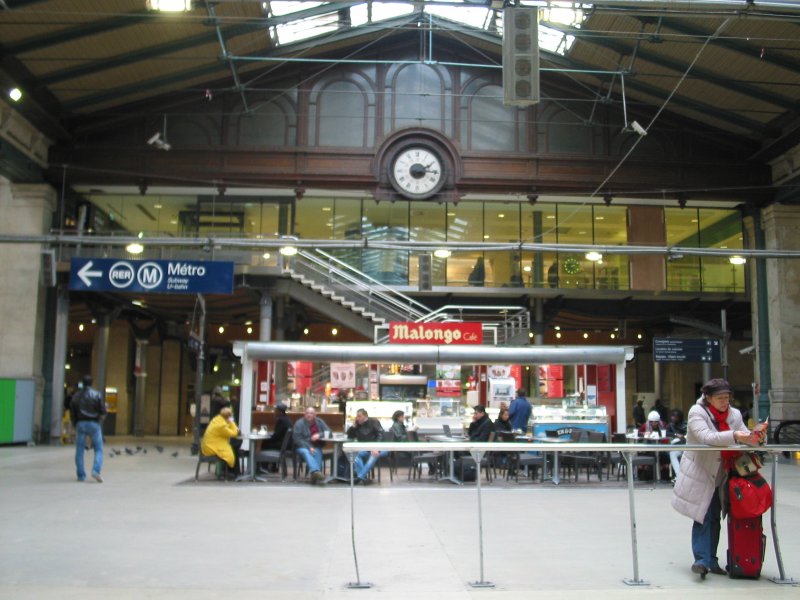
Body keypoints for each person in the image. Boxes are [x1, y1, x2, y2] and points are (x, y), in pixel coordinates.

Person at [671, 378, 764, 578]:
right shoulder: (697, 412)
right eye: (720, 398)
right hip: (701, 472)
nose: (724, 402)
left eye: (727, 398)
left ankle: (712, 561)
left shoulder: (734, 414)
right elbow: (707, 438)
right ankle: (701, 561)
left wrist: (755, 437)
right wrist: (737, 436)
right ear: (708, 398)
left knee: (715, 516)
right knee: (702, 515)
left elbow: (744, 436)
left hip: (723, 473)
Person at [69, 374, 107, 483]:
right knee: (98, 449)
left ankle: (81, 475)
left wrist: (75, 423)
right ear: (92, 383)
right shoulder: (96, 395)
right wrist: (99, 420)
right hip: (94, 423)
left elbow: (72, 412)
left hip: (80, 423)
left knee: (80, 450)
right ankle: (96, 470)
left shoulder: (76, 396)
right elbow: (103, 411)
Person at [347, 408, 388, 484]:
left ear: (365, 416)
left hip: (381, 448)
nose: (357, 418)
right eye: (357, 416)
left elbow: (381, 435)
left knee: (374, 455)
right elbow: (350, 436)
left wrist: (376, 448)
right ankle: (364, 478)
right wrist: (353, 426)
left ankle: (360, 477)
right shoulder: (357, 425)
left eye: (359, 416)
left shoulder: (374, 422)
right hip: (366, 449)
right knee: (355, 455)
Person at [293, 407, 331, 484]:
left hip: (316, 446)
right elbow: (297, 439)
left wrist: (319, 435)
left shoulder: (319, 422)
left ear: (315, 415)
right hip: (302, 447)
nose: (309, 415)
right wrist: (309, 447)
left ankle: (315, 476)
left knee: (317, 451)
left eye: (311, 413)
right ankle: (315, 471)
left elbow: (329, 432)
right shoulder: (299, 423)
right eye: (307, 413)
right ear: (304, 414)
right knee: (306, 452)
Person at [200, 406, 240, 477]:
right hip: (211, 448)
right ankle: (232, 472)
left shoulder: (217, 420)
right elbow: (234, 433)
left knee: (233, 446)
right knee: (234, 449)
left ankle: (230, 471)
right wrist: (232, 422)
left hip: (208, 445)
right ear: (228, 417)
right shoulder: (221, 426)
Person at [666, 408, 687, 480]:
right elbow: (667, 434)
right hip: (676, 447)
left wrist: (683, 437)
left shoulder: (685, 425)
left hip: (686, 446)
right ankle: (679, 476)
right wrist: (676, 434)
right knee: (672, 454)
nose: (673, 418)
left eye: (675, 417)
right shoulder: (670, 425)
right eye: (672, 416)